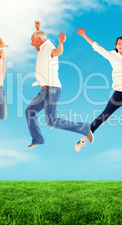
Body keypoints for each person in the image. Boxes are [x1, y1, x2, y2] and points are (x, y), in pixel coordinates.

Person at [25, 21, 94, 151]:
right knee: (29, 112)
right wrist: (38, 29)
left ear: (39, 40)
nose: (31, 43)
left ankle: (84, 128)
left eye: (32, 40)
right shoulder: (42, 47)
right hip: (44, 90)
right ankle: (38, 139)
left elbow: (57, 52)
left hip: (52, 89)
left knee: (51, 121)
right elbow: (41, 38)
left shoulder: (49, 47)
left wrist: (61, 43)